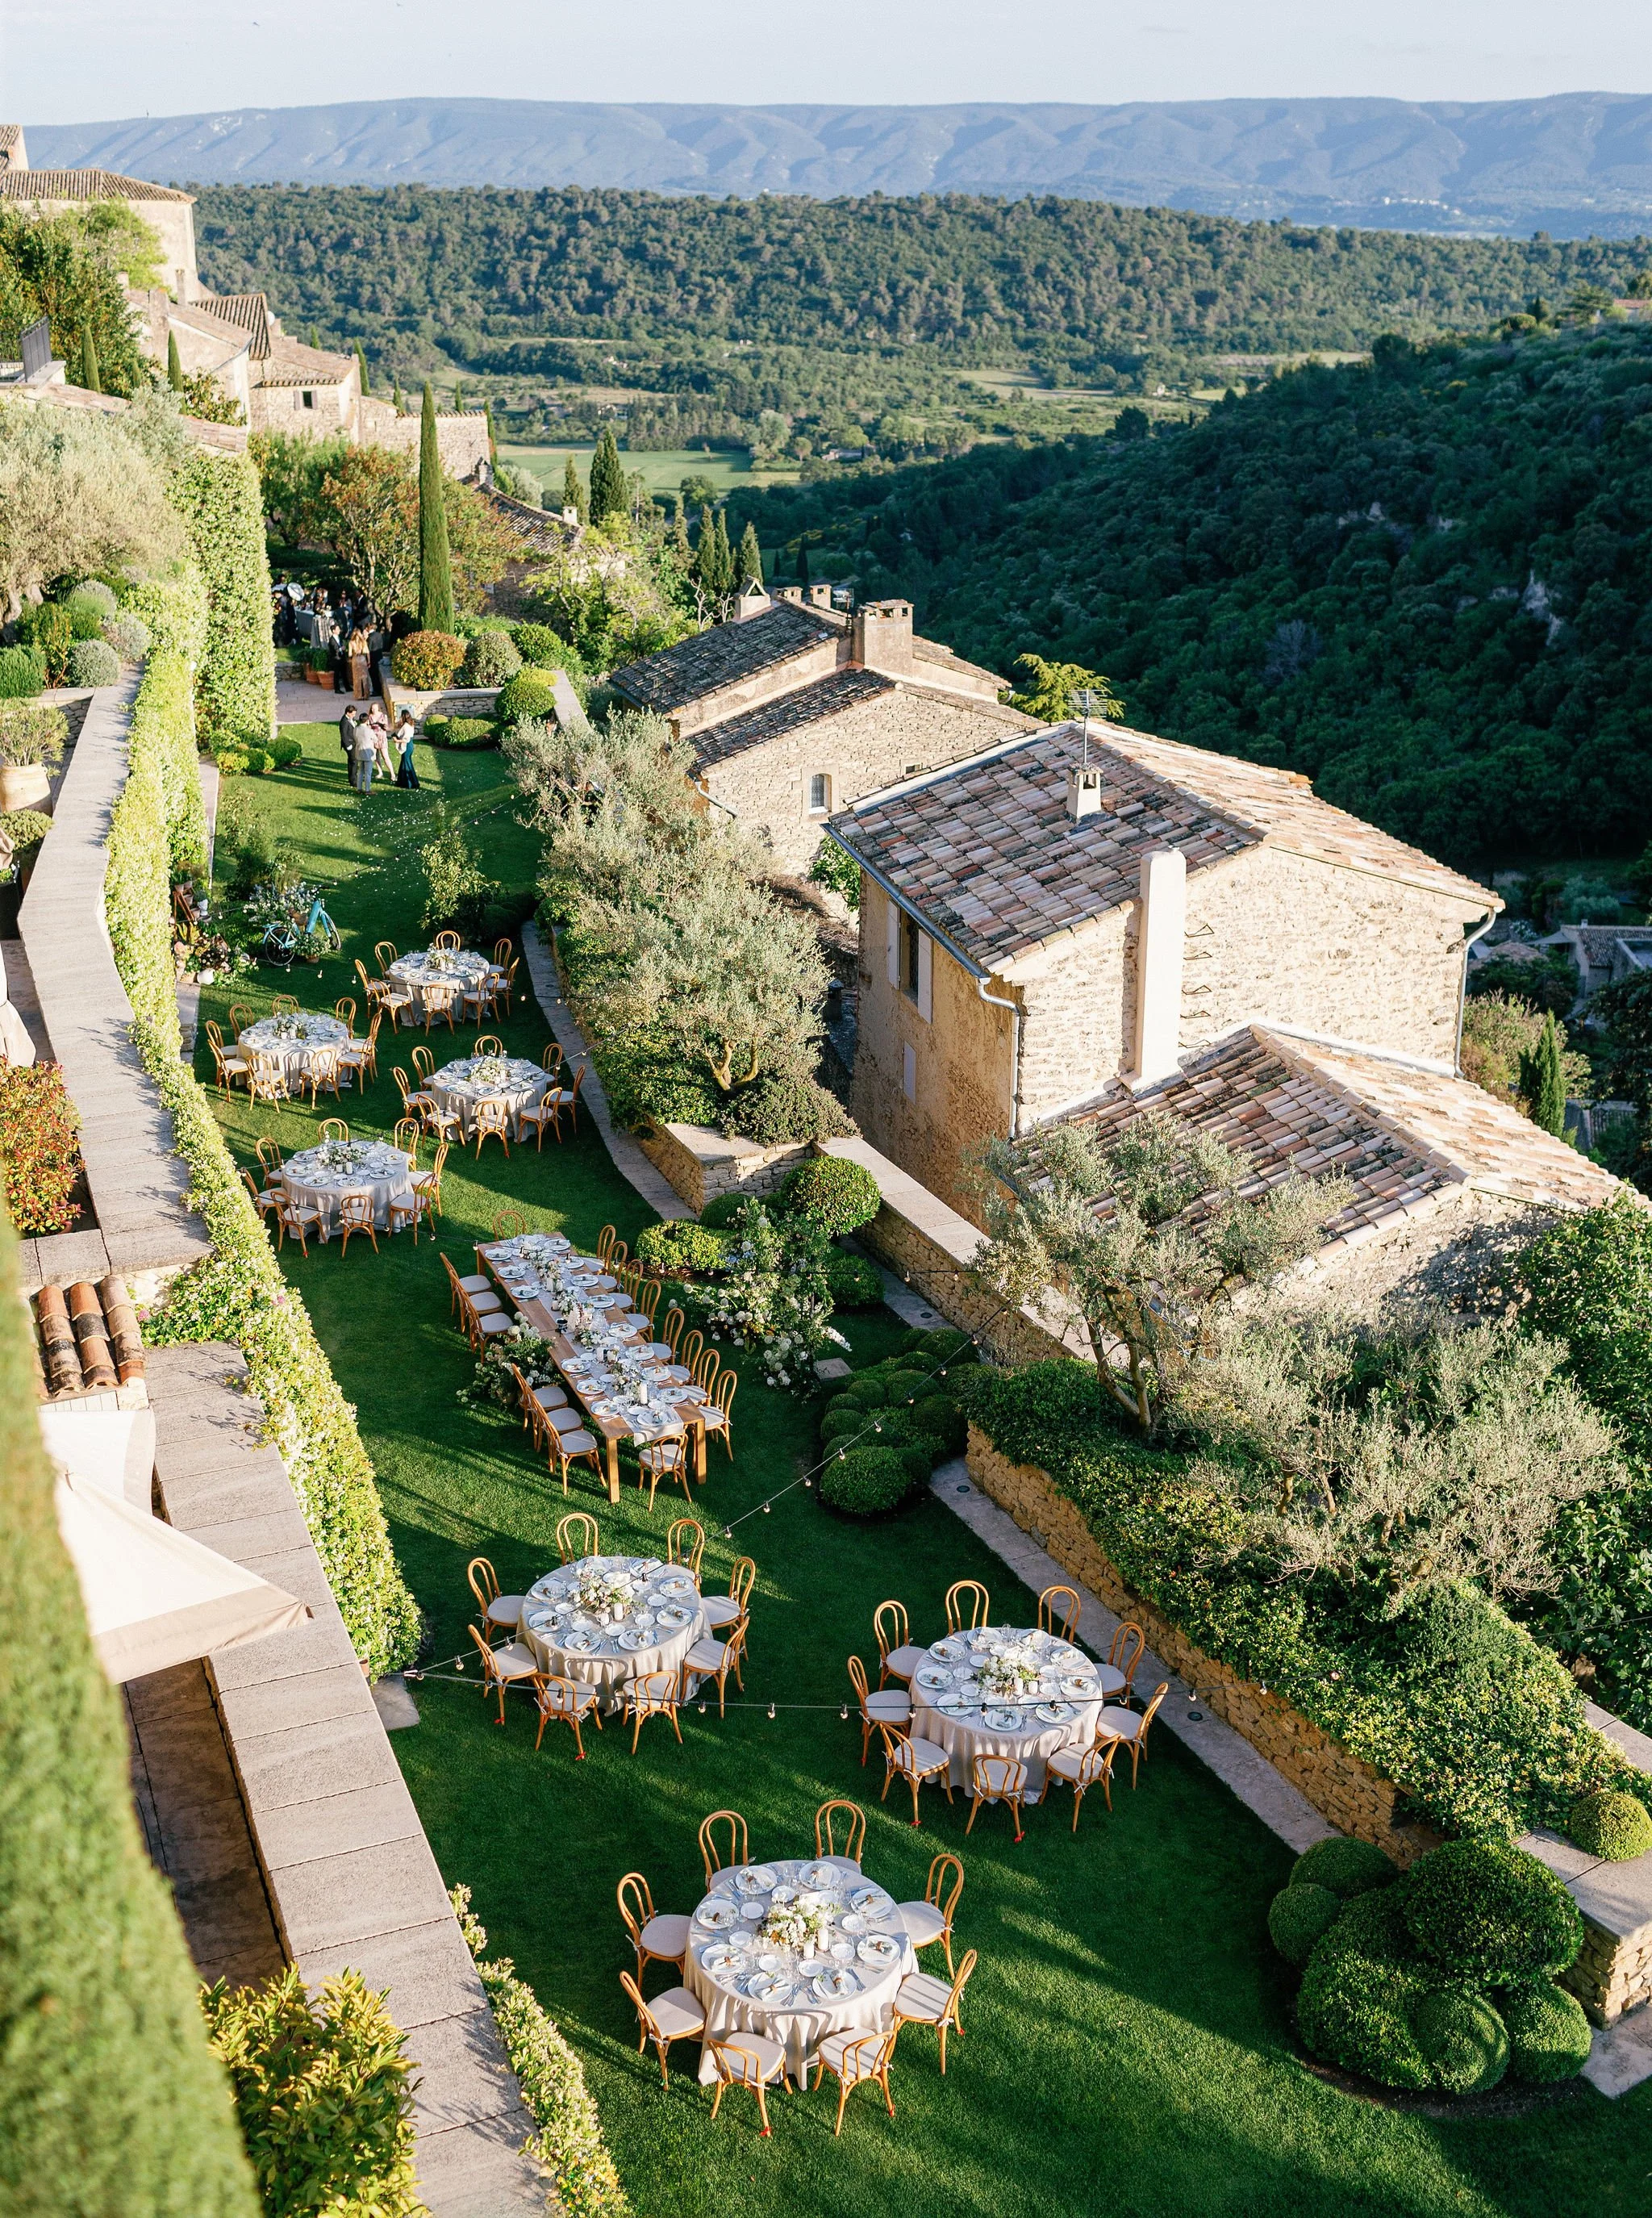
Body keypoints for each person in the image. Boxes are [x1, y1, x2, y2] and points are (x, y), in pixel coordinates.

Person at [394, 708, 419, 790]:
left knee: (407, 763)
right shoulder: (411, 724)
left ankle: (410, 783)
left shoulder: (405, 726)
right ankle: (402, 781)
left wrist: (397, 740)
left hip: (407, 746)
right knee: (405, 762)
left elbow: (405, 739)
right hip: (411, 745)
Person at [347, 624, 371, 700]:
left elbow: (350, 654)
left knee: (356, 678)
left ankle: (359, 695)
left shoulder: (351, 643)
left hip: (355, 660)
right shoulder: (363, 642)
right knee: (364, 677)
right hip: (363, 659)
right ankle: (366, 695)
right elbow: (367, 652)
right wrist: (369, 662)